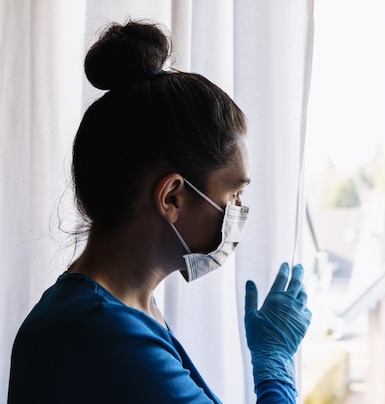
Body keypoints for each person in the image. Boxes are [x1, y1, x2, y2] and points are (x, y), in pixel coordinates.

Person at [8, 20, 311, 403]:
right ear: (171, 197)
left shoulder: (123, 312)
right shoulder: (102, 333)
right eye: (234, 192)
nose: (238, 211)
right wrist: (275, 364)